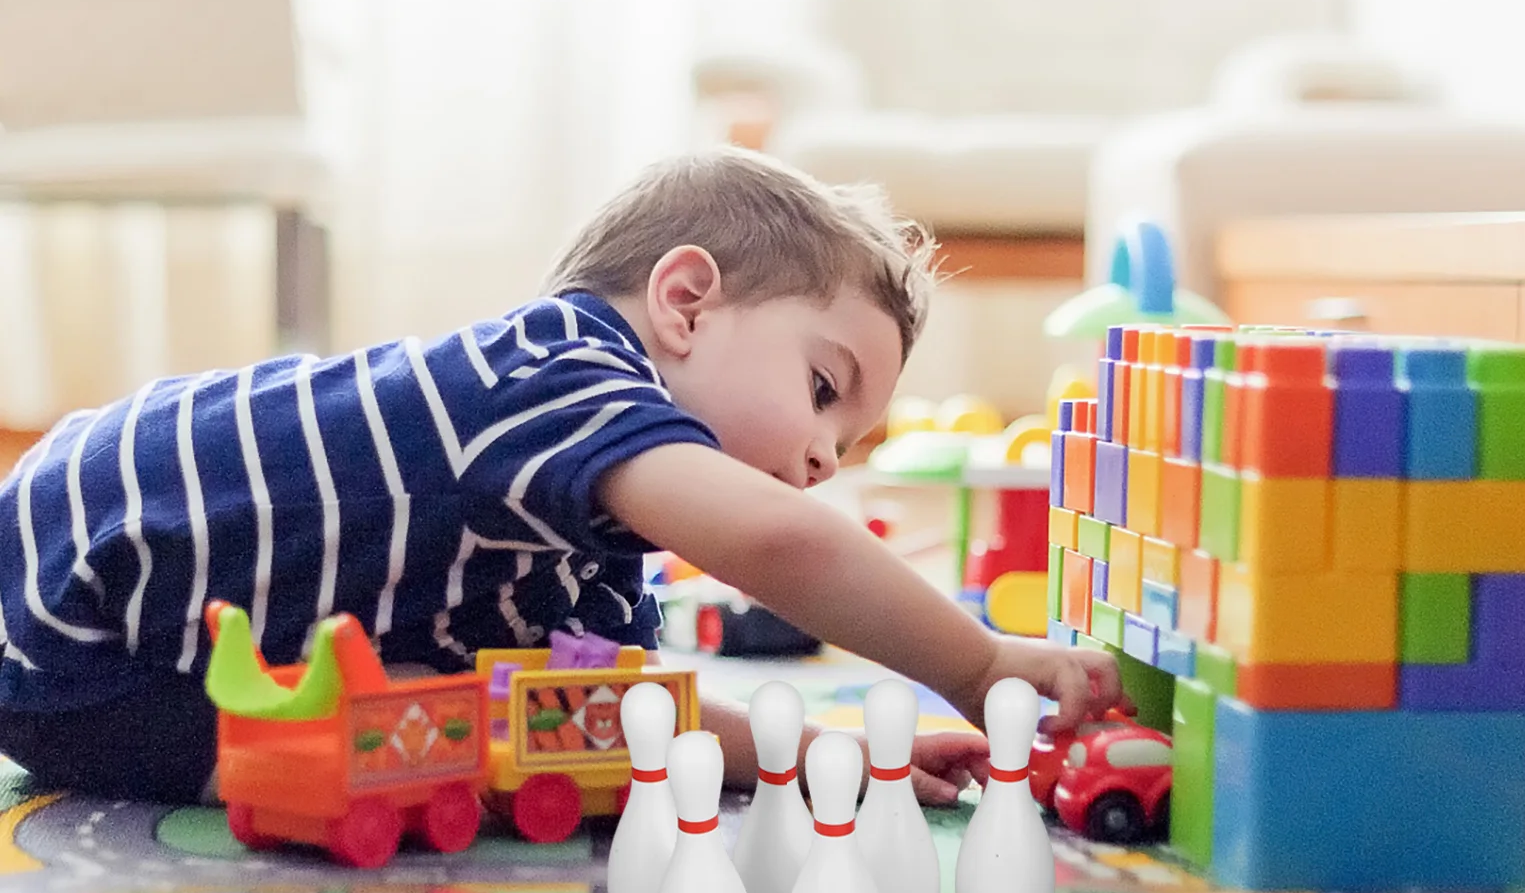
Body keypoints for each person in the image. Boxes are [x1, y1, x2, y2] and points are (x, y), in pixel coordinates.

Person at [0, 149, 1120, 806]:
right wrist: (975, 663)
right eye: (826, 389)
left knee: (508, 727)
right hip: (78, 628)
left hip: (123, 604)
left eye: (852, 441)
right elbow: (782, 545)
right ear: (684, 303)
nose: (826, 459)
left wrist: (830, 755)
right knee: (398, 764)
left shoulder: (577, 530)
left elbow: (609, 712)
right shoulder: (553, 367)